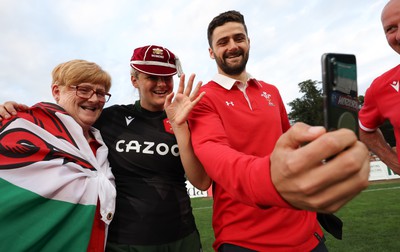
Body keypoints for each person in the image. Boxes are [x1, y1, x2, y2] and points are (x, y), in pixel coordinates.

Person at [187, 10, 370, 251]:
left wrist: (320, 149)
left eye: (238, 38)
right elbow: (216, 156)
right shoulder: (202, 98)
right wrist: (271, 180)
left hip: (306, 232)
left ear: (248, 42)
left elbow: (290, 144)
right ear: (211, 52)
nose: (232, 46)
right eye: (223, 42)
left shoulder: (271, 91)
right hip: (244, 238)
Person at [0, 46, 211, 251]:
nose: (161, 84)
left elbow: (201, 183)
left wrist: (181, 127)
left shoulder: (185, 118)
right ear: (134, 80)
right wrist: (12, 112)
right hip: (125, 242)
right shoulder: (108, 118)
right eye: (152, 77)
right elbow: (65, 119)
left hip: (183, 236)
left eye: (167, 77)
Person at [0, 59, 116, 251]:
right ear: (56, 91)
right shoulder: (25, 125)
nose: (94, 99)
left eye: (101, 93)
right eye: (83, 89)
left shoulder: (101, 145)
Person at [358, 0, 400, 174]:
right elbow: (364, 129)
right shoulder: (381, 87)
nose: (398, 35)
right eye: (391, 28)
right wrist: (395, 164)